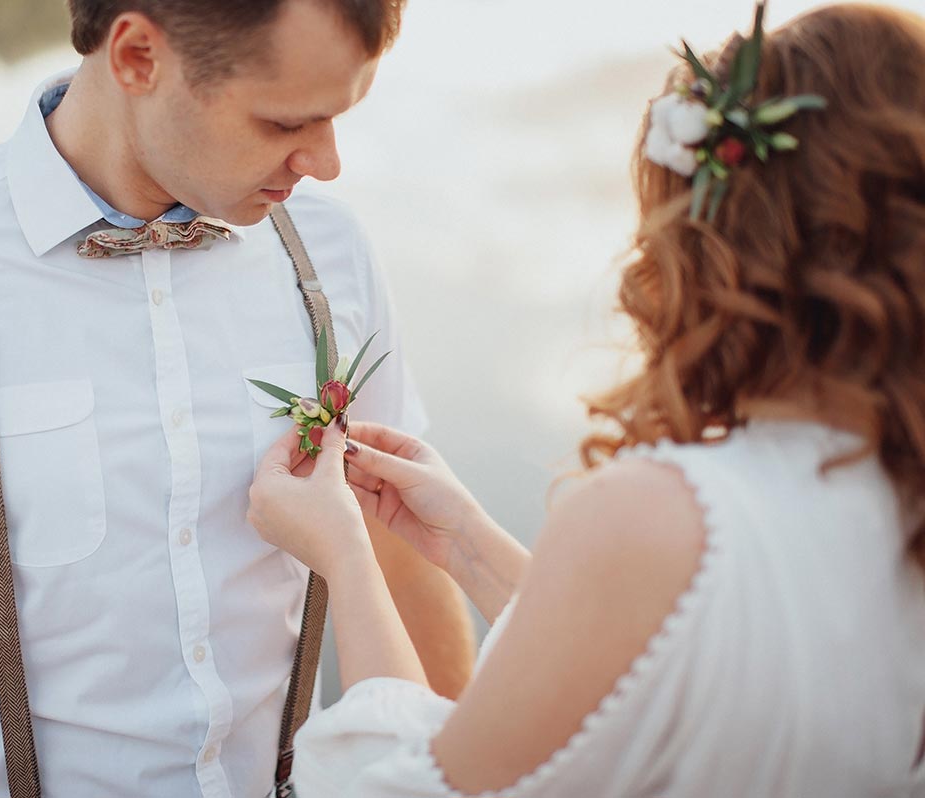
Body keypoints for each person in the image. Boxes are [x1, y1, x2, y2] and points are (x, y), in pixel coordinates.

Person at [0, 1, 477, 795]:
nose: (326, 162)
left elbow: (407, 557)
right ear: (135, 56)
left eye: (337, 117)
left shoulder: (333, 253)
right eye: (283, 122)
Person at [247, 4, 925, 796]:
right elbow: (669, 660)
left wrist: (347, 559)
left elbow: (392, 787)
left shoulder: (659, 512)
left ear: (712, 240)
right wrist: (466, 542)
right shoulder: (892, 488)